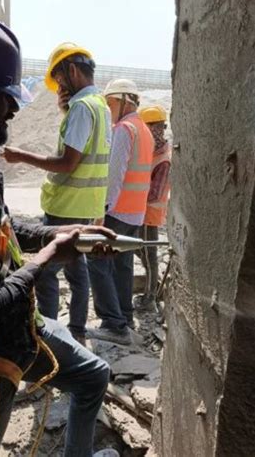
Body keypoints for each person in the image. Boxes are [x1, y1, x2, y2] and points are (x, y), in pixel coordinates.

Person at [0, 8, 118, 457]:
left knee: (93, 374)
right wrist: (49, 256)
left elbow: (6, 227)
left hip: (15, 328)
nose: (14, 106)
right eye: (3, 95)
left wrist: (65, 233)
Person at [2, 42, 112, 345]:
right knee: (78, 270)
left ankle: (48, 334)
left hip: (66, 205)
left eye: (60, 79)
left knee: (48, 273)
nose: (60, 87)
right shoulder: (101, 105)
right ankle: (77, 330)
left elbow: (67, 163)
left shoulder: (82, 108)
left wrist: (21, 156)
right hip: (86, 204)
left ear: (72, 70)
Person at [87, 79, 154, 345]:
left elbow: (115, 174)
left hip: (116, 211)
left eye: (110, 102)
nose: (108, 108)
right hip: (135, 212)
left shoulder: (125, 129)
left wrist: (103, 208)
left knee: (97, 261)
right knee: (122, 266)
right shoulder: (144, 129)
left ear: (125, 100)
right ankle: (125, 318)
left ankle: (113, 325)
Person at [134, 105, 172, 312]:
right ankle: (153, 287)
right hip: (140, 211)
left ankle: (150, 299)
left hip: (150, 214)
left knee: (149, 256)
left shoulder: (163, 159)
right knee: (139, 250)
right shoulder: (152, 152)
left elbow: (155, 194)